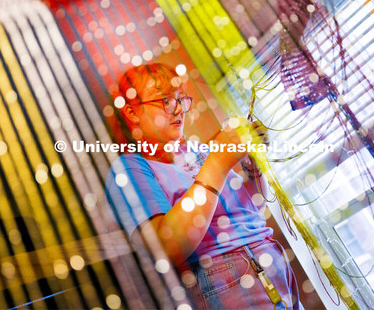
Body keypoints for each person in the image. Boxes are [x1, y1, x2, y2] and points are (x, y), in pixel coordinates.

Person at [105, 63, 302, 309]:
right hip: (224, 275)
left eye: (181, 99)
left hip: (271, 258)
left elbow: (249, 212)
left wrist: (253, 163)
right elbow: (167, 248)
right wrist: (218, 162)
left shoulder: (199, 151)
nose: (178, 109)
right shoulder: (130, 169)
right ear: (132, 112)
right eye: (165, 100)